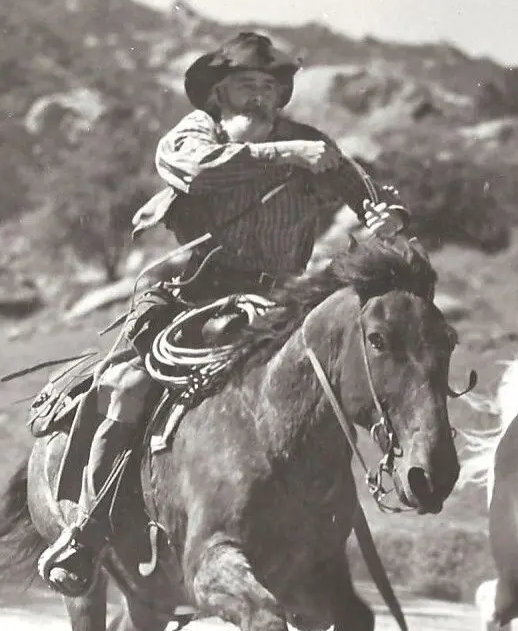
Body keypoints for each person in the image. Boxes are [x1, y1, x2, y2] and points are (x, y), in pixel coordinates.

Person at [36, 31, 412, 597]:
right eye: (244, 86)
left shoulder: (311, 143)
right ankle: (87, 530)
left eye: (267, 86)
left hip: (283, 300)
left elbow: (369, 193)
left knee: (341, 383)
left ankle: (332, 529)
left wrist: (386, 218)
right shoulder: (193, 137)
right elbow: (198, 171)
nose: (257, 97)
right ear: (217, 94)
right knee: (129, 386)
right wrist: (284, 154)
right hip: (193, 295)